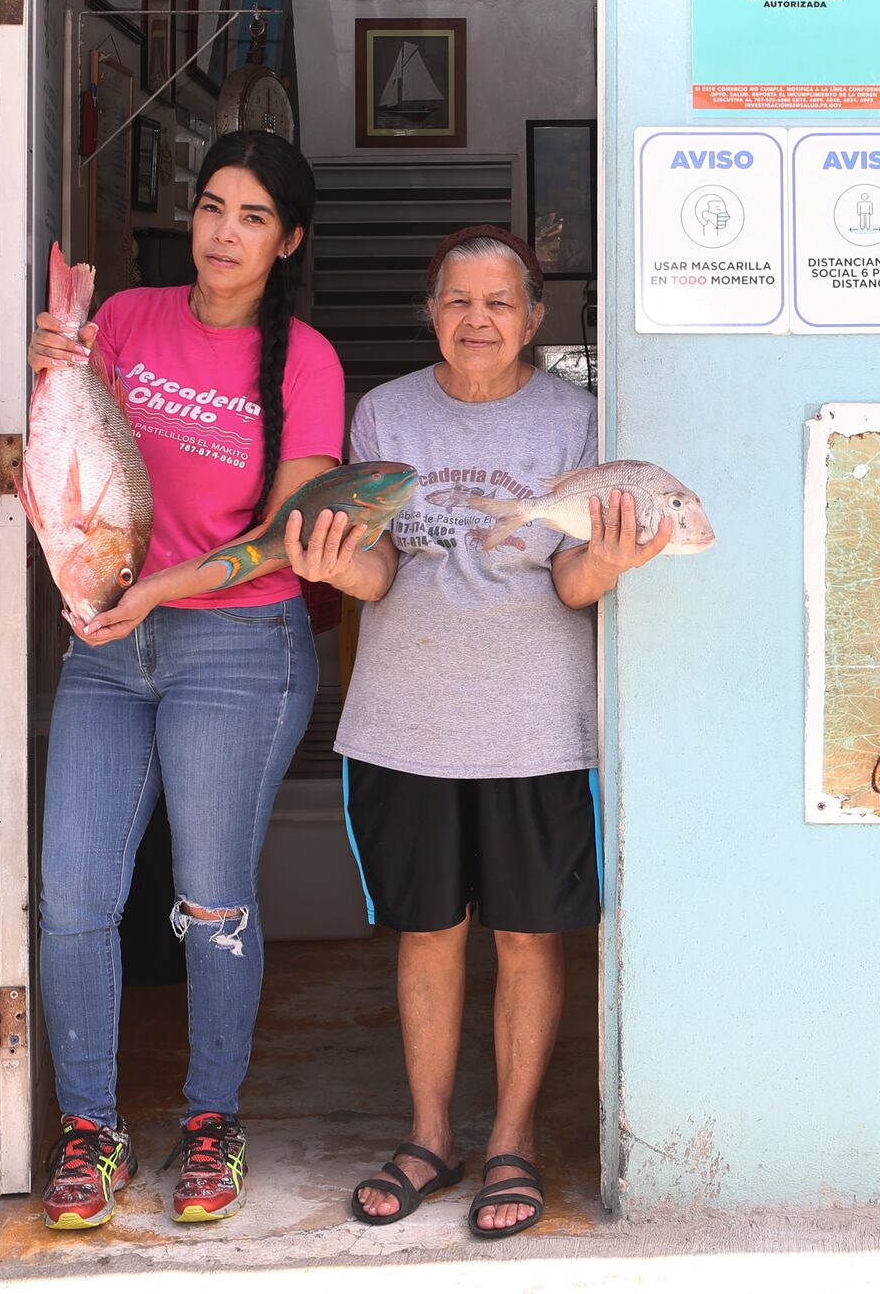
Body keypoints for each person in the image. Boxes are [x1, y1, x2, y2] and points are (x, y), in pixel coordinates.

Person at [285, 225, 668, 1240]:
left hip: (537, 723)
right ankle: (427, 1136)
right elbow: (377, 569)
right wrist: (330, 566)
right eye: (457, 300)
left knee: (528, 932)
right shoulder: (386, 412)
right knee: (429, 929)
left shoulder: (576, 420)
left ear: (533, 318)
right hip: (405, 718)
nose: (477, 320)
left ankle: (511, 1138)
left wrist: (617, 560)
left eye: (498, 302)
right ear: (431, 309)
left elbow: (573, 579)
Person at [24, 130, 345, 1230]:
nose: (223, 232)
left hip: (239, 650)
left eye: (253, 216)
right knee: (74, 894)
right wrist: (52, 364)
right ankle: (88, 1127)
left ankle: (211, 1118)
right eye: (212, 206)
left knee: (211, 897)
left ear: (287, 238)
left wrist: (160, 592)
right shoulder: (127, 321)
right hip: (108, 645)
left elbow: (285, 537)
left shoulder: (304, 358)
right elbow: (70, 455)